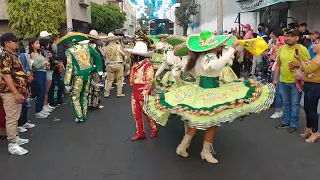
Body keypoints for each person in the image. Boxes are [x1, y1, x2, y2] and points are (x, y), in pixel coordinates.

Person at [143, 31, 275, 164]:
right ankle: (204, 151)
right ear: (210, 47)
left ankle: (184, 146)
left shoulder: (199, 57)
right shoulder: (208, 58)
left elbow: (216, 65)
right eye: (217, 45)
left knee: (198, 121)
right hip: (209, 93)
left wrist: (231, 49)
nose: (219, 46)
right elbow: (216, 66)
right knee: (211, 123)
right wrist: (231, 50)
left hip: (205, 90)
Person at [57, 32, 103, 122]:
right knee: (85, 95)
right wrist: (99, 69)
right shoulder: (87, 47)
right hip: (88, 74)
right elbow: (97, 56)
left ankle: (79, 116)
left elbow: (69, 67)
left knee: (75, 96)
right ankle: (84, 115)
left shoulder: (70, 51)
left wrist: (66, 82)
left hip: (78, 76)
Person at [273, 29, 311, 133]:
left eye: (291, 36)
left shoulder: (301, 49)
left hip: (296, 82)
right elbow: (278, 64)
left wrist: (298, 64)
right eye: (287, 36)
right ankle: (285, 122)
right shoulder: (282, 49)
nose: (288, 38)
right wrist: (275, 79)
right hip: (283, 80)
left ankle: (293, 124)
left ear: (297, 38)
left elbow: (309, 64)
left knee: (295, 103)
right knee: (285, 102)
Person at [0, 33, 29, 155]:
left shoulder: (13, 55)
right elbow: (6, 76)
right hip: (10, 91)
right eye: (14, 41)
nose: (17, 43)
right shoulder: (5, 55)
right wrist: (16, 92)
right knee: (11, 117)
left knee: (16, 115)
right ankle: (12, 143)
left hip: (18, 90)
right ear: (7, 43)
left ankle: (16, 137)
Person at [124, 41, 158, 141]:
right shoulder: (135, 65)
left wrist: (144, 93)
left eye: (134, 54)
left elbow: (149, 80)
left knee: (147, 113)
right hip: (135, 92)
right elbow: (131, 78)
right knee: (136, 113)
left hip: (144, 92)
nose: (133, 56)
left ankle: (154, 129)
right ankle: (140, 133)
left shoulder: (148, 65)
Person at [295, 36, 320, 142]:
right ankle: (309, 129)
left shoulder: (319, 58)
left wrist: (301, 60)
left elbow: (308, 69)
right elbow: (309, 63)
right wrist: (302, 59)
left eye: (316, 43)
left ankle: (315, 132)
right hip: (310, 86)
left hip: (315, 87)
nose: (313, 45)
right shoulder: (316, 56)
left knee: (312, 110)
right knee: (307, 109)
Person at [30, 38, 51, 118]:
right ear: (32, 45)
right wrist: (44, 62)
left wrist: (47, 63)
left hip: (44, 72)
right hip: (38, 73)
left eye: (38, 43)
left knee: (43, 90)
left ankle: (41, 108)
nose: (38, 45)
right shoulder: (32, 54)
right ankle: (38, 110)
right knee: (40, 91)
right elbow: (35, 66)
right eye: (36, 43)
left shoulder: (40, 53)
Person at [17, 41, 35, 132]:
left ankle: (25, 121)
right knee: (20, 104)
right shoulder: (9, 57)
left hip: (25, 81)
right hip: (18, 84)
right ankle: (19, 124)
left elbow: (27, 67)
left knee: (27, 101)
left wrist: (29, 75)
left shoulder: (22, 56)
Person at [102, 33, 126, 98]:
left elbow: (104, 56)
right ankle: (119, 93)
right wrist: (124, 61)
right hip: (118, 64)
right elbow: (124, 54)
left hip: (109, 65)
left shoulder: (105, 47)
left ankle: (106, 93)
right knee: (119, 79)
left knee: (109, 79)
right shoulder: (118, 46)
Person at [87, 30, 104, 108]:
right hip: (95, 69)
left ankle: (88, 103)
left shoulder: (85, 46)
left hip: (87, 69)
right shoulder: (95, 46)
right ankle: (95, 103)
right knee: (96, 86)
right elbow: (99, 59)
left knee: (89, 87)